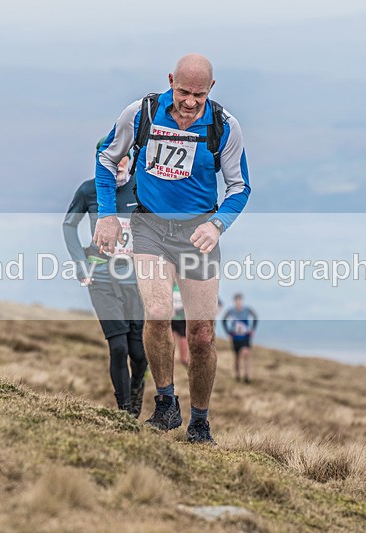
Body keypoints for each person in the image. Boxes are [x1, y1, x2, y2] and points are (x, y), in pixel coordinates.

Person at [93, 54, 251, 444]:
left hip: (198, 233)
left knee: (200, 335)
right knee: (159, 312)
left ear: (210, 89)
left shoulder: (224, 127)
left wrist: (218, 225)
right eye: (183, 92)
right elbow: (106, 157)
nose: (190, 102)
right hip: (149, 227)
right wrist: (108, 215)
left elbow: (239, 187)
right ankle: (165, 403)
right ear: (170, 82)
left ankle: (200, 421)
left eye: (199, 94)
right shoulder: (141, 113)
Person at [62, 139, 148, 417]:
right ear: (102, 159)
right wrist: (80, 264)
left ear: (132, 158)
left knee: (140, 353)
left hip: (137, 281)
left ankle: (136, 397)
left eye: (125, 156)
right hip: (100, 277)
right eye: (113, 157)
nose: (120, 162)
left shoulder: (143, 187)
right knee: (119, 347)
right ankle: (125, 413)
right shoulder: (89, 190)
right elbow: (69, 225)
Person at [222, 293, 258, 383]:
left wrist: (252, 329)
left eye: (240, 301)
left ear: (242, 301)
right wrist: (228, 333)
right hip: (235, 337)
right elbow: (224, 320)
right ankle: (237, 374)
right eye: (236, 301)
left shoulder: (247, 310)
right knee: (237, 357)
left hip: (245, 336)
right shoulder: (231, 311)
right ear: (234, 302)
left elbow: (255, 317)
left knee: (246, 354)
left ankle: (246, 375)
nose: (238, 303)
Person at [171, 283, 189, 368]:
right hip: (170, 321)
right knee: (169, 354)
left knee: (184, 359)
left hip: (182, 321)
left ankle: (192, 373)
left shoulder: (185, 286)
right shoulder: (168, 286)